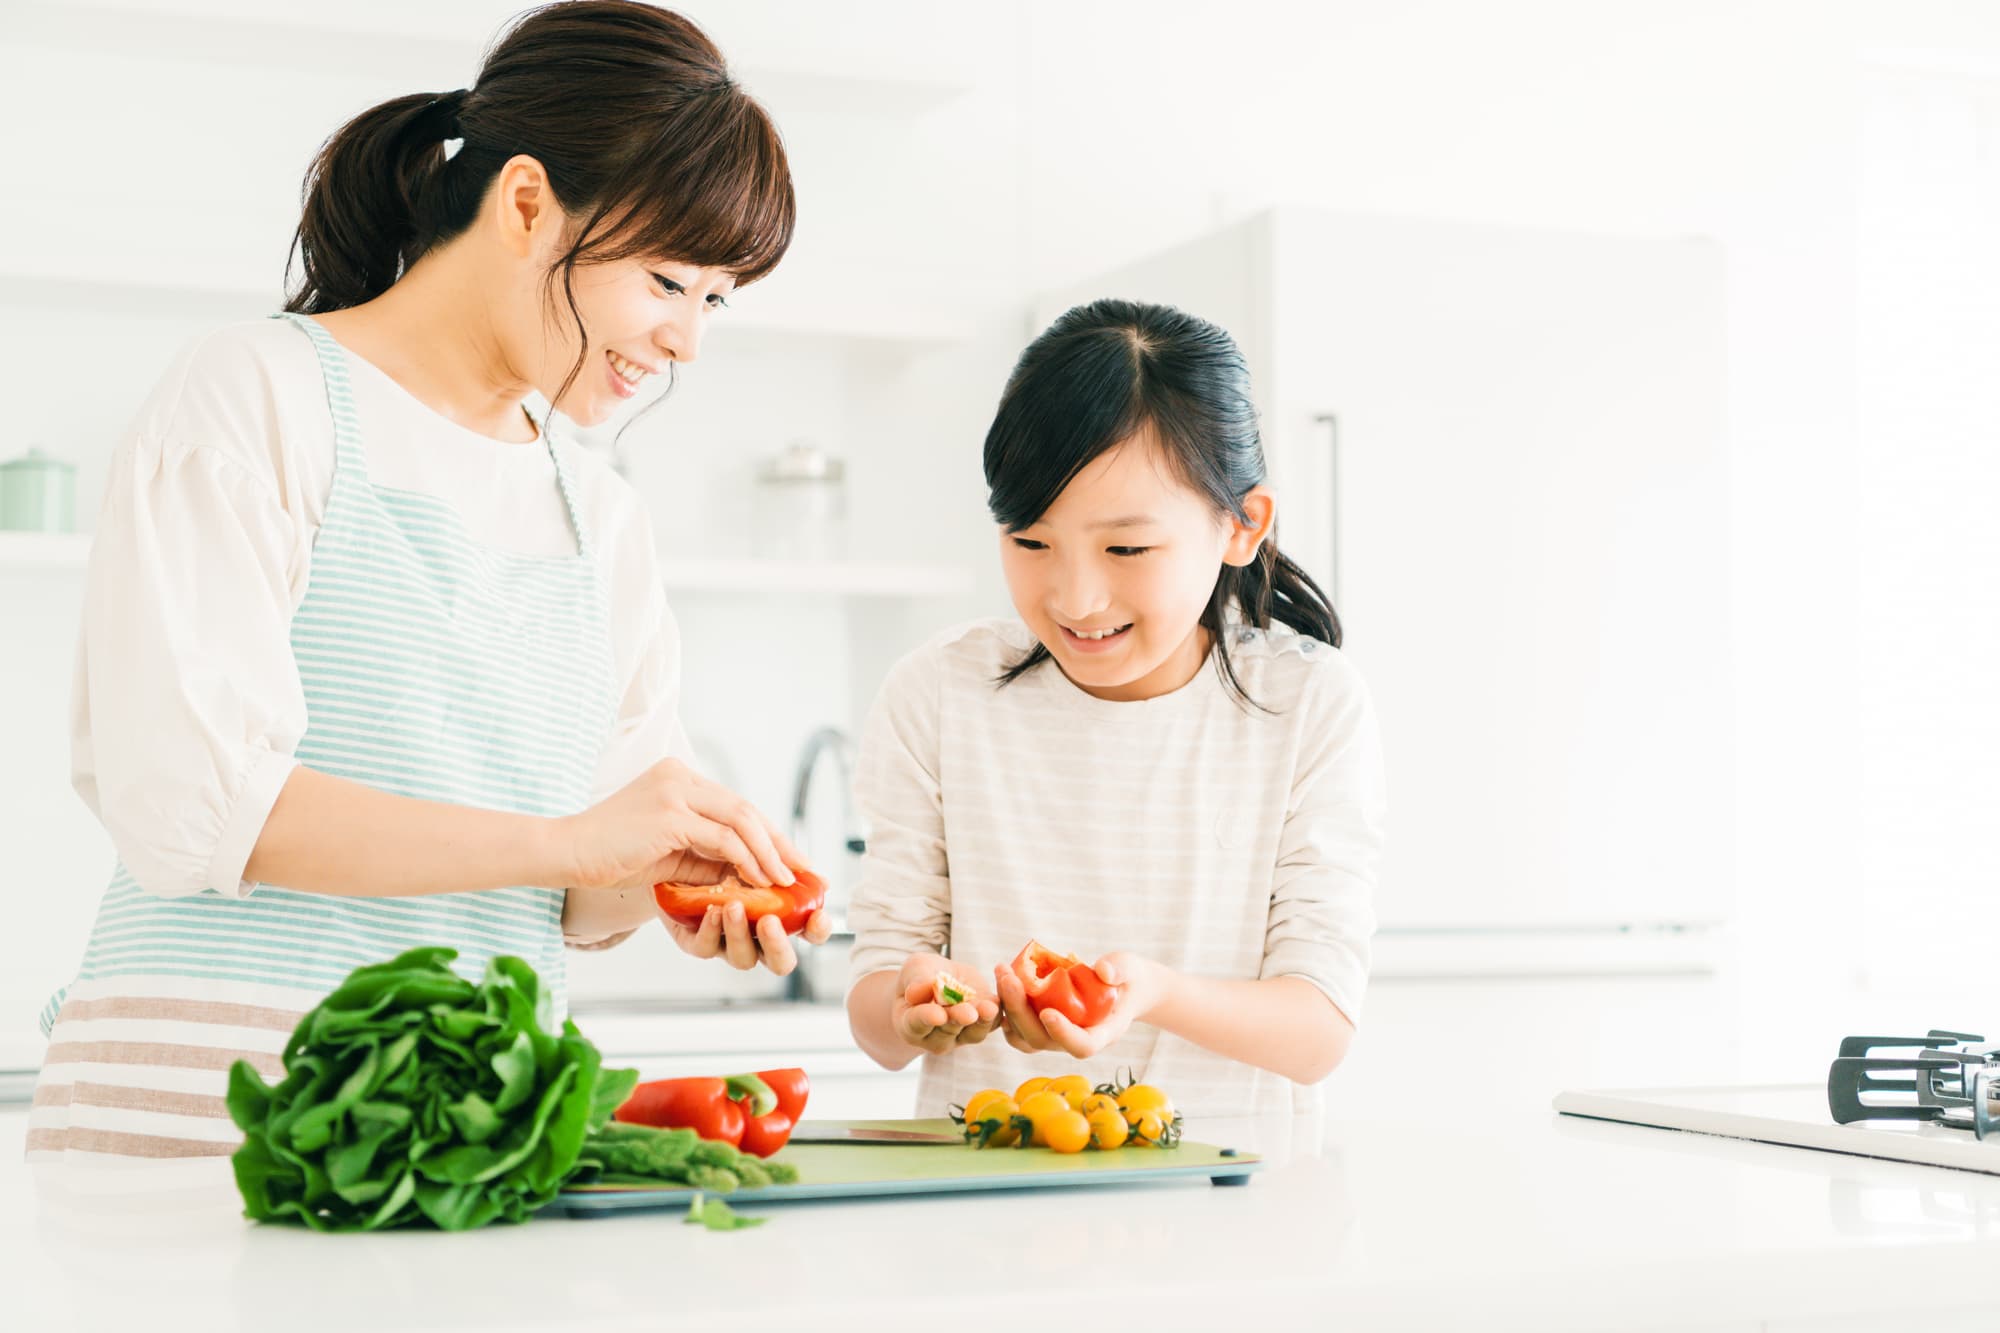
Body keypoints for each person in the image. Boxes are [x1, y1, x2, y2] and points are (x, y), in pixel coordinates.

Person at [30, 0, 826, 1161]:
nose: (686, 342)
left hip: (465, 1139)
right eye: (665, 281)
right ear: (524, 204)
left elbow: (580, 875)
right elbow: (194, 801)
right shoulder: (258, 393)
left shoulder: (600, 513)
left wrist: (673, 881)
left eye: (715, 299)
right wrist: (571, 845)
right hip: (209, 1113)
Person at [844, 299, 1386, 1126]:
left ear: (1242, 526)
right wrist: (910, 1004)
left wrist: (1154, 993)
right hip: (983, 1195)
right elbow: (878, 1016)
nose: (1076, 597)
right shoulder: (940, 693)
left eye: (1126, 548)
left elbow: (1318, 1028)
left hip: (1234, 1197)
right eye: (1031, 541)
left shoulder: (1308, 704)